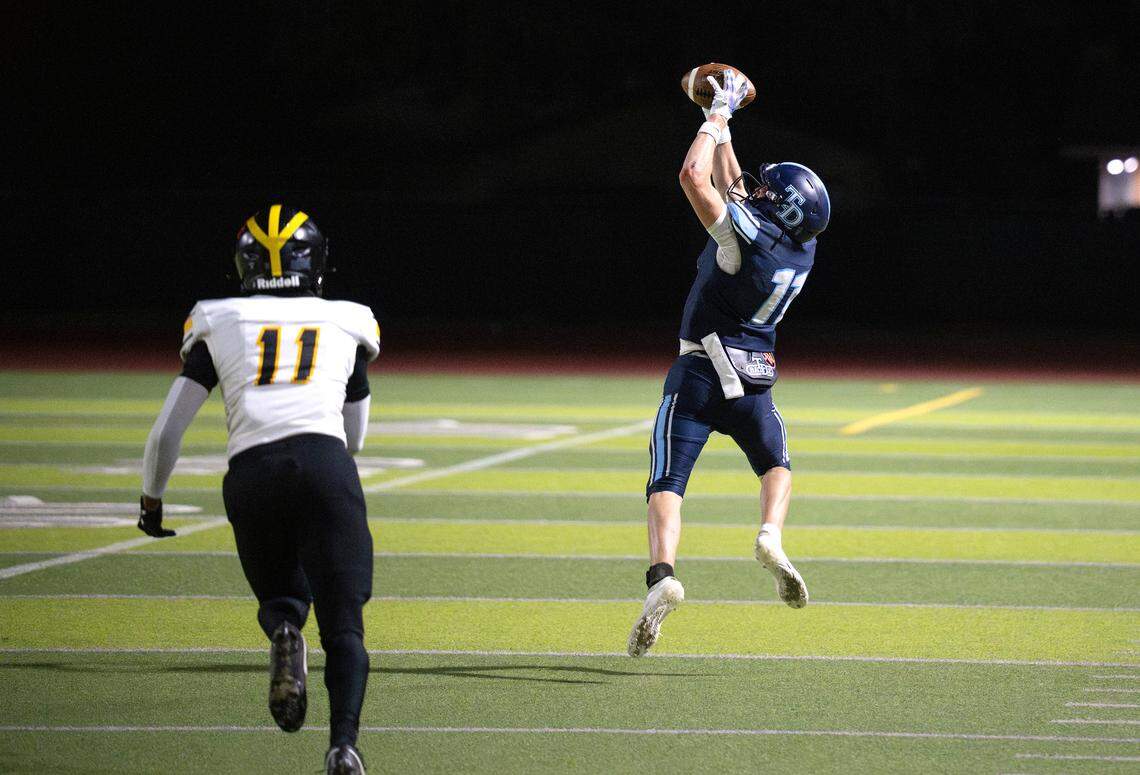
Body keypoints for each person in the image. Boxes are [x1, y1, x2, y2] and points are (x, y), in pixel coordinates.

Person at [138, 205, 380, 774]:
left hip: (253, 469)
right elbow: (356, 435)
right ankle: (343, 745)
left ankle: (284, 631)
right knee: (344, 625)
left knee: (283, 603)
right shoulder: (347, 320)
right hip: (325, 463)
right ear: (315, 261)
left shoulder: (218, 319)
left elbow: (166, 431)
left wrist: (152, 500)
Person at [628, 72, 831, 657]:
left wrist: (713, 121)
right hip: (756, 377)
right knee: (777, 463)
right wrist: (728, 123)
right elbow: (742, 190)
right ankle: (771, 533)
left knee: (667, 481)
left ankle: (663, 577)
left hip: (698, 371)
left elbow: (697, 178)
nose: (759, 189)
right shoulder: (801, 246)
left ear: (780, 207)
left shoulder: (747, 240)